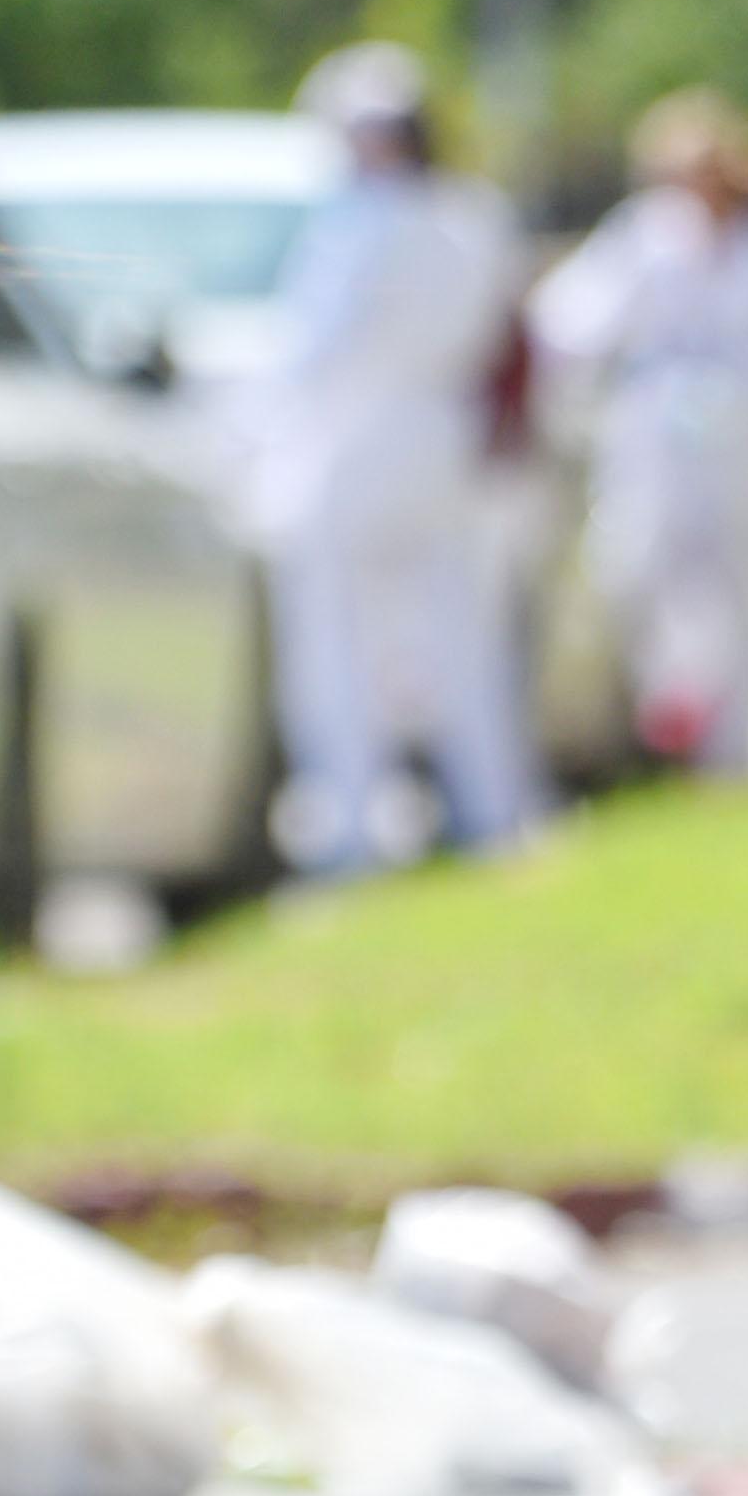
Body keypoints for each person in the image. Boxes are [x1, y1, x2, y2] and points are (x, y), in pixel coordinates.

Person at [250, 44, 539, 875]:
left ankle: (350, 826)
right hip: (444, 445)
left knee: (334, 642)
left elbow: (311, 352)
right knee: (460, 634)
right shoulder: (472, 216)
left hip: (355, 444)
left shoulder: (357, 224)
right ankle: (493, 810)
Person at [525, 91, 748, 770]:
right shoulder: (642, 237)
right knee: (632, 565)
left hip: (739, 433)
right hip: (651, 428)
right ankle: (670, 698)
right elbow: (571, 320)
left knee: (734, 585)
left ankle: (729, 751)